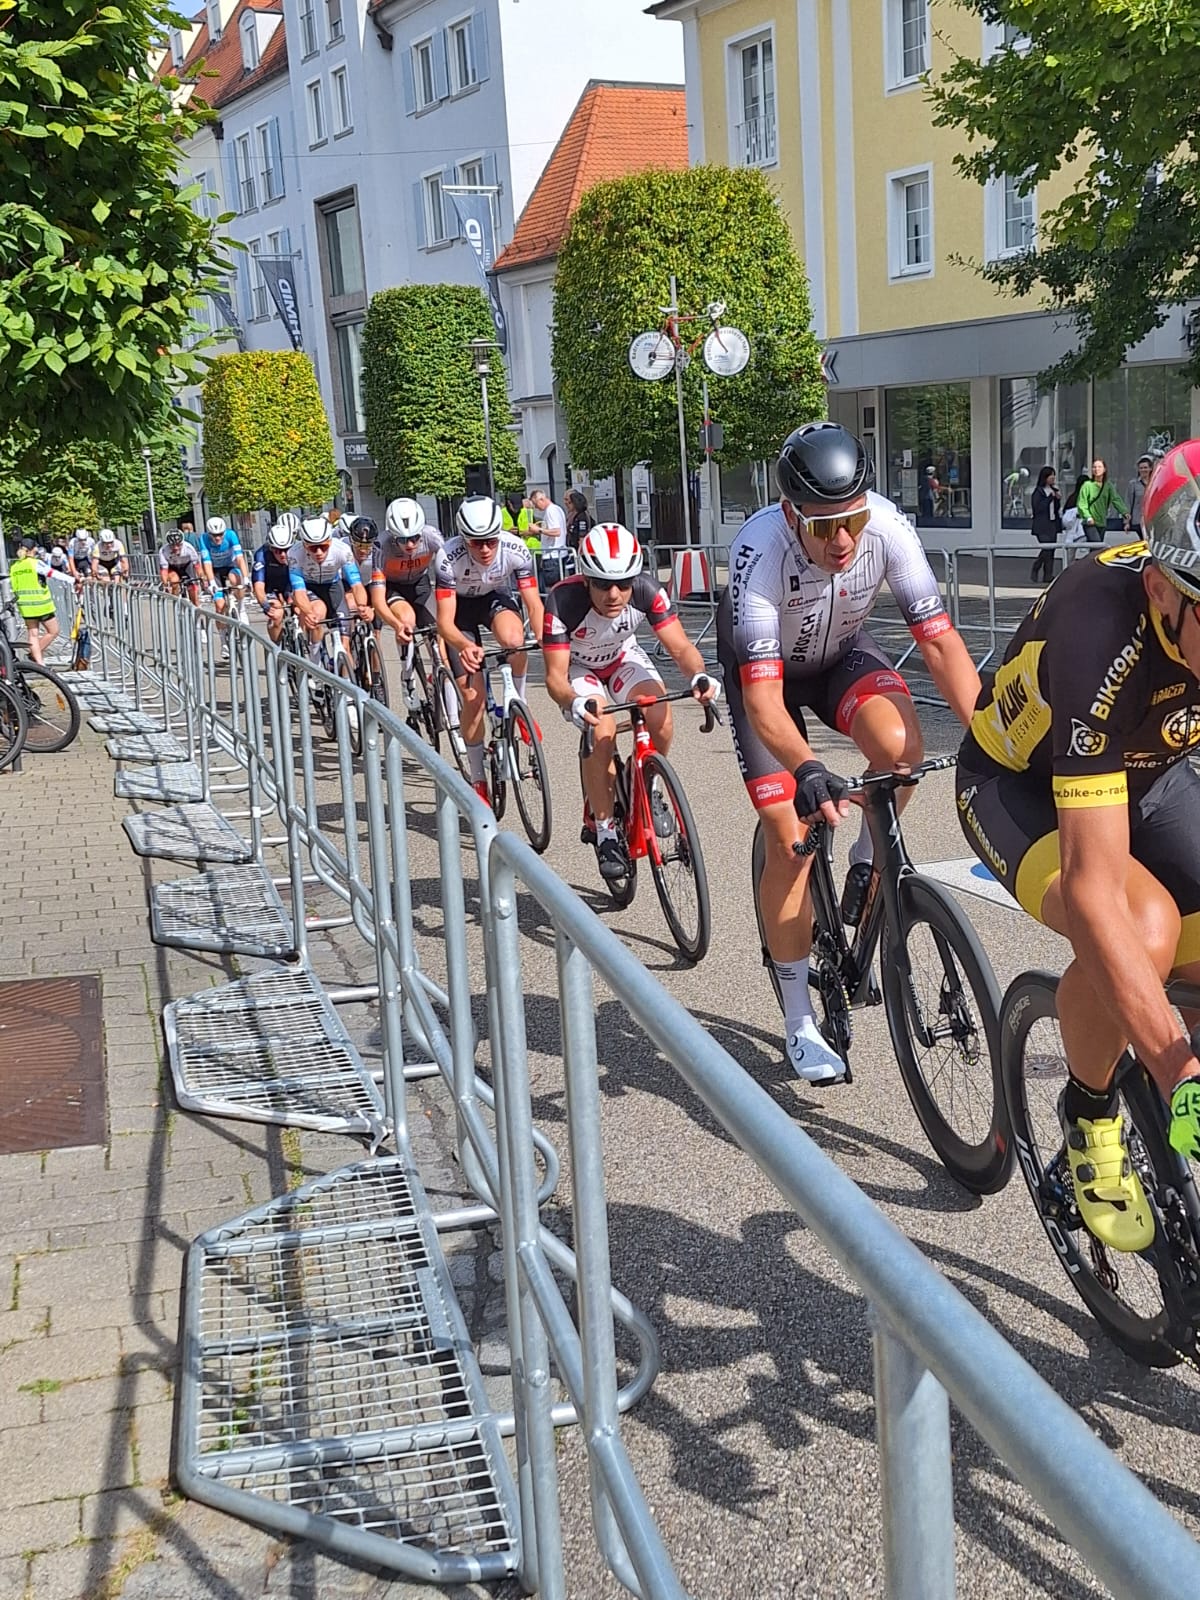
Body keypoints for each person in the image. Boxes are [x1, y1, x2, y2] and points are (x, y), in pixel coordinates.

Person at [955, 438, 1200, 1253]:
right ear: (1163, 590)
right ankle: (1090, 1118)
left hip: (1147, 772)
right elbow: (1094, 892)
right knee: (1141, 929)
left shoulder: (1183, 614)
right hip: (1018, 783)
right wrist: (1179, 1077)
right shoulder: (1103, 626)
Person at [716, 422, 981, 1084]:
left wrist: (993, 733)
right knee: (791, 835)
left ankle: (868, 861)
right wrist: (806, 768)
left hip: (838, 657)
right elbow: (764, 703)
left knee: (899, 749)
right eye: (823, 526)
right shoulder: (760, 549)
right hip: (766, 678)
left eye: (853, 520)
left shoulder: (887, 528)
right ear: (789, 514)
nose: (842, 541)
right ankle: (800, 1019)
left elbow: (941, 643)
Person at [543, 524, 720, 881]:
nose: (614, 594)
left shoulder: (647, 591)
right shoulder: (563, 601)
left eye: (623, 584)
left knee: (660, 713)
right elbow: (555, 677)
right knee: (603, 729)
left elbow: (681, 647)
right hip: (579, 667)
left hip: (622, 657)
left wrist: (698, 677)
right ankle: (606, 831)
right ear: (585, 579)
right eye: (603, 584)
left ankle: (649, 782)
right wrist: (574, 702)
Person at [434, 494, 545, 803]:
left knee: (513, 640)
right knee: (473, 698)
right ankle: (478, 777)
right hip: (459, 613)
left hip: (494, 597)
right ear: (462, 537)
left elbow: (533, 602)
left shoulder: (515, 548)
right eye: (475, 542)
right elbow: (444, 623)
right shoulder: (447, 556)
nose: (484, 549)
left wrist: (545, 638)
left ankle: (519, 703)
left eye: (490, 541)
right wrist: (464, 646)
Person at [288, 514, 373, 656]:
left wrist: (363, 606)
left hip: (333, 587)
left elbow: (356, 585)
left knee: (344, 646)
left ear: (330, 541)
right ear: (303, 544)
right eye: (312, 548)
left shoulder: (342, 550)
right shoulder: (294, 554)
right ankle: (314, 665)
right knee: (316, 614)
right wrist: (308, 613)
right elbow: (299, 591)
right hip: (309, 587)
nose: (319, 552)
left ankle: (345, 676)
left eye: (324, 546)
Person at [371, 497, 445, 649]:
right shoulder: (381, 545)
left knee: (438, 628)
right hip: (393, 586)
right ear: (392, 536)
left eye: (415, 538)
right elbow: (378, 601)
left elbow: (450, 569)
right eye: (403, 540)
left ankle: (441, 669)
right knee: (407, 620)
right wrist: (396, 625)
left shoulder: (431, 536)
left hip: (420, 582)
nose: (410, 544)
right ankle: (407, 667)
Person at [9, 532, 59, 664]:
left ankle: (39, 663)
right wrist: (74, 580)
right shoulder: (35, 563)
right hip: (42, 605)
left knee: (33, 634)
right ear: (33, 549)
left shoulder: (15, 567)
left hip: (26, 607)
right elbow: (53, 574)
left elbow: (14, 586)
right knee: (53, 631)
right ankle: (34, 654)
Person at [251, 522, 297, 643]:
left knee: (299, 608)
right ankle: (277, 648)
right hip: (269, 586)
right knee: (277, 614)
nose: (283, 554)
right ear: (271, 548)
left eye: (286, 550)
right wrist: (264, 604)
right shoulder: (262, 555)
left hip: (289, 583)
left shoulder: (298, 551)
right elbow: (259, 586)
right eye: (278, 551)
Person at [199, 515, 249, 615]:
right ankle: (223, 631)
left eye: (220, 534)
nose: (217, 538)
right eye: (214, 535)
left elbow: (240, 558)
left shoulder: (231, 535)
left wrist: (246, 578)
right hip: (214, 570)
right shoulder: (203, 539)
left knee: (236, 580)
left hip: (230, 565)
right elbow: (207, 562)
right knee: (219, 606)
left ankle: (241, 607)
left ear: (224, 532)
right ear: (209, 534)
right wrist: (212, 582)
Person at [1077, 457, 1128, 544]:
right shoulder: (1087, 485)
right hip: (1090, 523)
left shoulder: (1108, 486)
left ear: (1104, 469)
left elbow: (1115, 499)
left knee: (1097, 547)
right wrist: (1088, 516)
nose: (1097, 469)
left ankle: (1092, 558)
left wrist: (1124, 512)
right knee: (1096, 545)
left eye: (1099, 467)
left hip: (1102, 522)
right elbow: (1082, 503)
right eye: (1094, 467)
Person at [1029, 466, 1061, 585]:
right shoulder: (1038, 492)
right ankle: (1036, 566)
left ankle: (1048, 574)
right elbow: (1038, 508)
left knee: (1051, 549)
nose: (1053, 477)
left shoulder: (1054, 489)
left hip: (1052, 523)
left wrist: (1057, 499)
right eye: (1050, 475)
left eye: (1054, 475)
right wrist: (1049, 498)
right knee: (1046, 548)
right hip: (1041, 525)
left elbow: (1056, 509)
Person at [157, 529, 203, 601]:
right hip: (172, 567)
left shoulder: (189, 548)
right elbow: (164, 570)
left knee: (192, 588)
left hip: (187, 566)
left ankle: (195, 607)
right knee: (174, 580)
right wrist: (165, 584)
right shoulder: (164, 551)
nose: (176, 548)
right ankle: (175, 602)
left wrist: (201, 576)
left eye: (178, 545)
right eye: (172, 545)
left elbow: (197, 565)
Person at [1125, 454, 1155, 535]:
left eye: (1145, 467)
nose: (1143, 470)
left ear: (1150, 468)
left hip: (1152, 521)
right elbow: (1129, 503)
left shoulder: (1155, 483)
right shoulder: (1133, 484)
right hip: (1138, 520)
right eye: (1141, 468)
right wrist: (1126, 522)